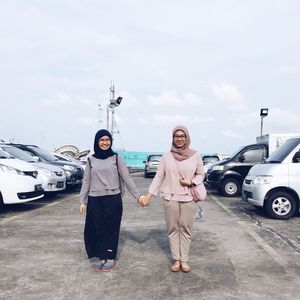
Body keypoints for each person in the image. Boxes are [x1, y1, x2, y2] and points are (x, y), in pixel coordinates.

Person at [140, 125, 204, 273]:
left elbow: (201, 174)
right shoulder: (166, 157)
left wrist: (191, 182)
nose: (179, 139)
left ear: (187, 138)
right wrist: (149, 195)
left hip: (189, 197)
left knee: (186, 228)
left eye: (182, 136)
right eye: (176, 136)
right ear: (172, 138)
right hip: (170, 197)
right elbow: (158, 177)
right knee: (173, 228)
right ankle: (177, 259)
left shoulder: (195, 155)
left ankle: (184, 259)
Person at [79, 129, 143, 271]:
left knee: (112, 229)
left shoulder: (116, 158)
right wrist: (82, 201)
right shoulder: (91, 160)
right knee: (98, 229)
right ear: (97, 142)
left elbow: (127, 178)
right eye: (102, 140)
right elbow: (86, 181)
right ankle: (102, 256)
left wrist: (138, 196)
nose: (105, 142)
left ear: (111, 142)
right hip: (95, 200)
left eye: (107, 140)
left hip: (113, 199)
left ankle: (111, 258)